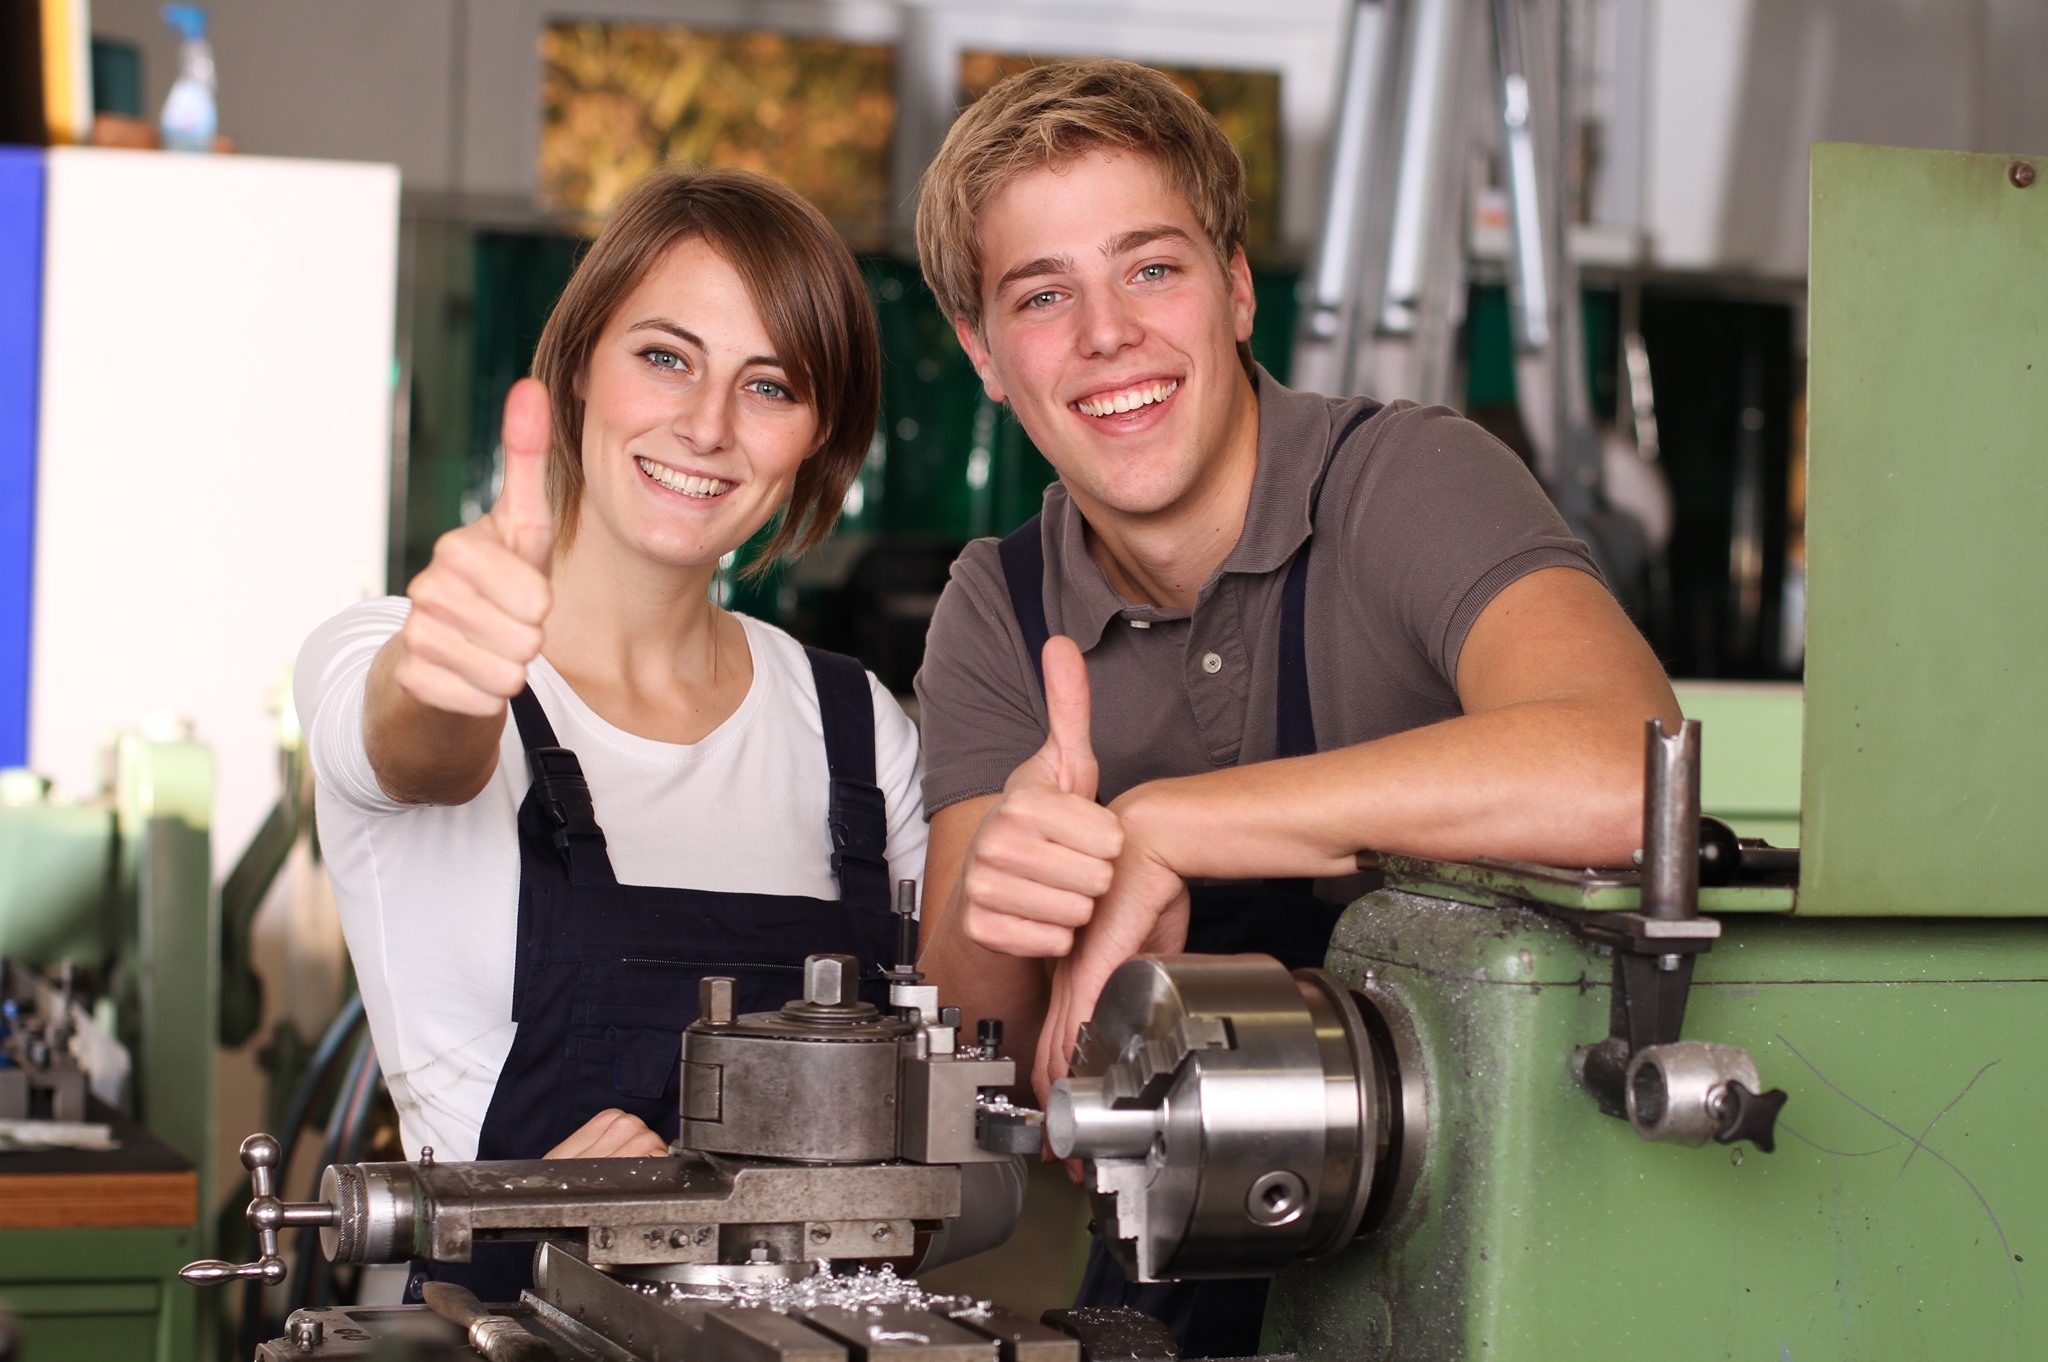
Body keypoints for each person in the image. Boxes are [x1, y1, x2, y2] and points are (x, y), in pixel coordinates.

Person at [909, 61, 1679, 1353]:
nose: (1107, 334)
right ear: (987, 356)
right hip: (1171, 1271)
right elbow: (973, 1078)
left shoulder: (1406, 480)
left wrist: (1164, 827)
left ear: (1238, 287)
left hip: (1496, 1251)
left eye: (1151, 267)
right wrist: (1006, 895)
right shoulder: (999, 605)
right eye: (1044, 295)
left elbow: (1631, 771)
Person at [295, 167, 922, 1302]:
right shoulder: (393, 650)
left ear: (817, 445)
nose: (706, 425)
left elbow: (933, 1143)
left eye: (770, 386)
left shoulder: (854, 728)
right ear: (578, 363)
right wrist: (447, 682)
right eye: (665, 356)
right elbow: (414, 746)